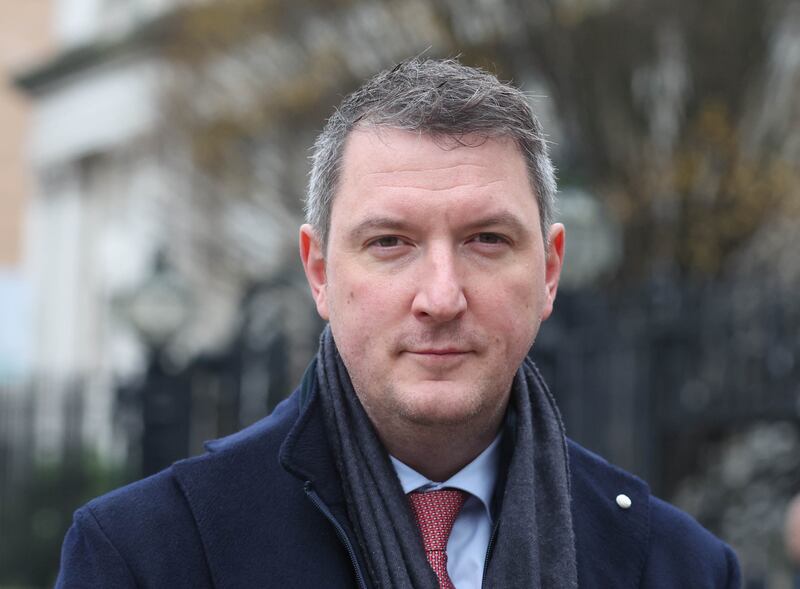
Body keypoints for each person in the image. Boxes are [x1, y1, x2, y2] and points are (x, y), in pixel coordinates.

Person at [55, 58, 740, 588]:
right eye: (390, 242)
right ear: (319, 271)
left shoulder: (680, 567)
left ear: (551, 270)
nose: (441, 297)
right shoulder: (149, 556)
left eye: (486, 240)